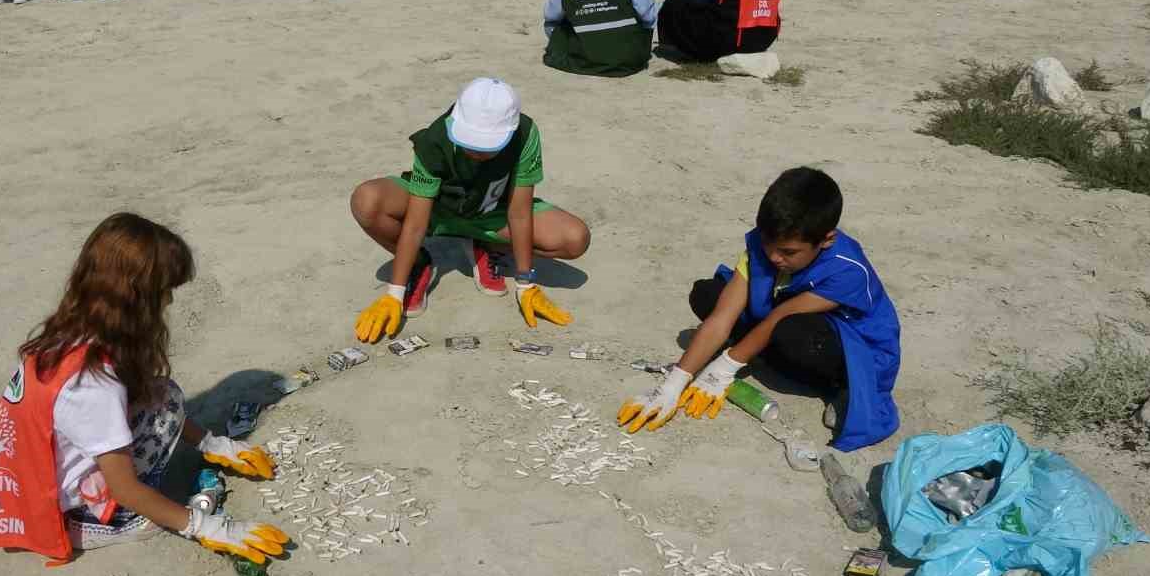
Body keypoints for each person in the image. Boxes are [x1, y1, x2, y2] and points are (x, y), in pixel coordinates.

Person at [0, 213, 290, 564]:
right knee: (146, 512)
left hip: (28, 477)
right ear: (136, 299)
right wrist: (205, 526)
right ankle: (90, 522)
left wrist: (210, 443)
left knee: (163, 395)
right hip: (50, 502)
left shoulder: (76, 331)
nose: (170, 303)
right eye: (165, 292)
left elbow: (148, 397)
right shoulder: (94, 383)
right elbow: (125, 488)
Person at [615, 168, 901, 451]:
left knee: (793, 335)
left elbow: (780, 316)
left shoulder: (847, 270)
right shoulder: (764, 246)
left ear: (826, 240)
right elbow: (722, 316)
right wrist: (674, 383)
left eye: (788, 252)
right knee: (708, 294)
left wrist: (724, 367)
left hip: (845, 340)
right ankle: (757, 354)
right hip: (781, 314)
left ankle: (839, 388)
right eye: (768, 245)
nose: (775, 257)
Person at [348, 77, 591, 343]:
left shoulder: (525, 134)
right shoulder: (435, 139)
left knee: (575, 238)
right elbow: (416, 223)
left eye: (487, 146)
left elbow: (519, 213)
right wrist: (394, 293)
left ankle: (483, 244)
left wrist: (525, 283)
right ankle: (419, 263)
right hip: (436, 209)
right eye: (470, 143)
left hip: (490, 213)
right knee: (366, 200)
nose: (476, 152)